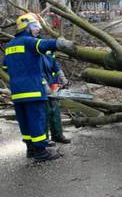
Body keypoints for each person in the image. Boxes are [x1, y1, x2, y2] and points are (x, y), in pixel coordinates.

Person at [2, 13, 74, 161]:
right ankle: (41, 151)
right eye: (35, 26)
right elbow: (44, 44)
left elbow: (5, 66)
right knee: (37, 120)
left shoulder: (9, 46)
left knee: (25, 121)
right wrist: (60, 42)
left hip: (17, 91)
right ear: (26, 28)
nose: (37, 30)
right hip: (33, 89)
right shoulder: (29, 42)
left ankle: (31, 149)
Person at [42, 50, 71, 144]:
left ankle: (57, 135)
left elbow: (55, 65)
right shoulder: (34, 51)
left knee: (55, 111)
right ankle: (44, 139)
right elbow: (37, 71)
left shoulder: (48, 52)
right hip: (41, 86)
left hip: (52, 84)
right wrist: (44, 85)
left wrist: (63, 78)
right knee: (45, 112)